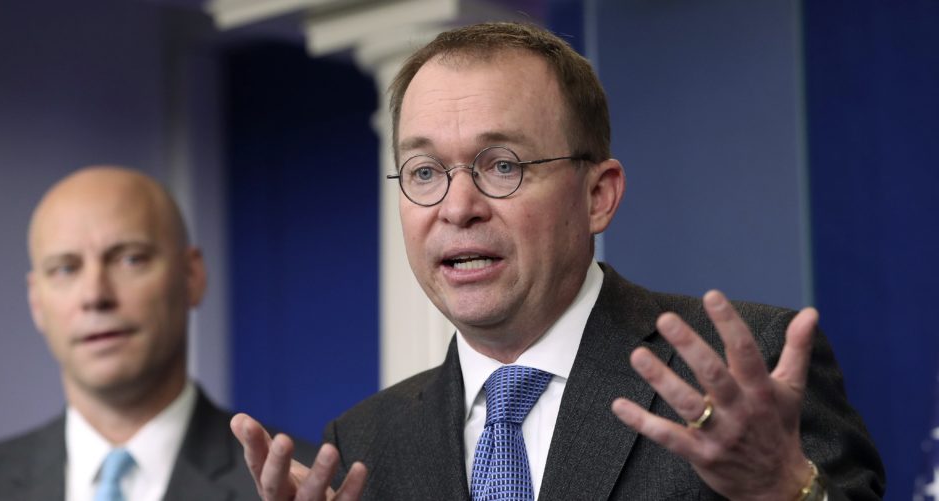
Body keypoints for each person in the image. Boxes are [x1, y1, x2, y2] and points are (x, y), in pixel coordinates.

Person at [231, 22, 885, 500]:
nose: (457, 207)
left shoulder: (748, 372)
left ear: (598, 196)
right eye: (424, 171)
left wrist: (784, 489)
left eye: (503, 165)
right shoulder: (363, 442)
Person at [0, 167, 314, 501]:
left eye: (129, 259)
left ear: (192, 276)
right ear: (37, 302)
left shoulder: (306, 486)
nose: (95, 296)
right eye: (65, 268)